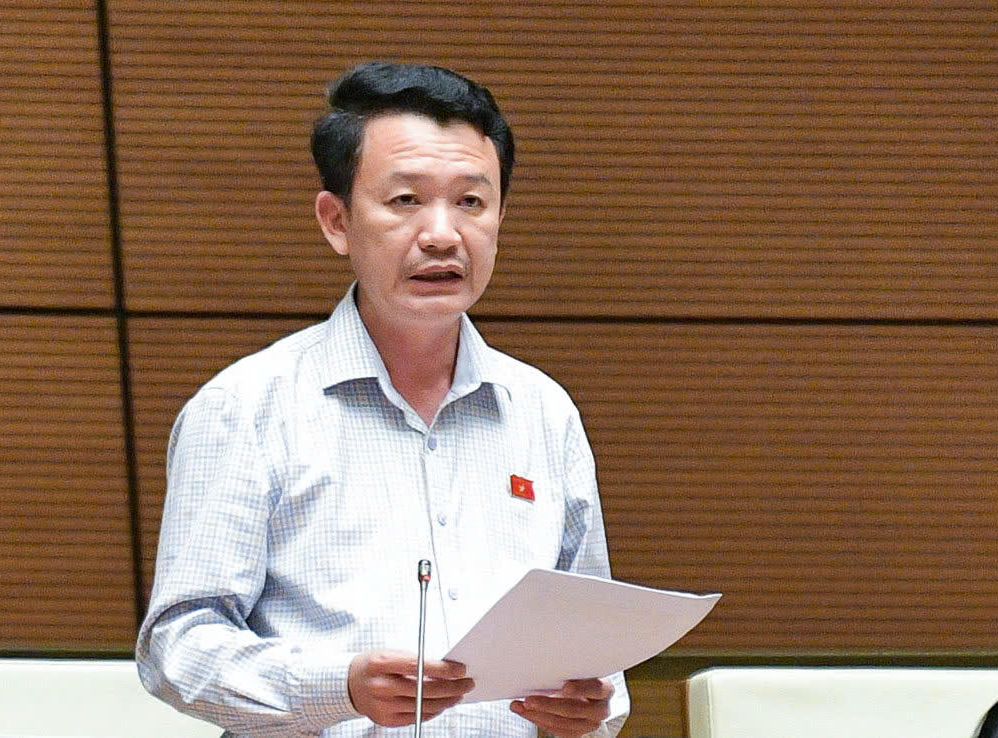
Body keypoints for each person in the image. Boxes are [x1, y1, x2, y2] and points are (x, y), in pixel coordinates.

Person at [136, 61, 631, 737]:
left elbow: (595, 651)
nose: (442, 234)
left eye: (471, 202)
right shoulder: (246, 407)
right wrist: (337, 687)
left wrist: (590, 708)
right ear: (337, 221)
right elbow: (178, 648)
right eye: (404, 201)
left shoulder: (544, 413)